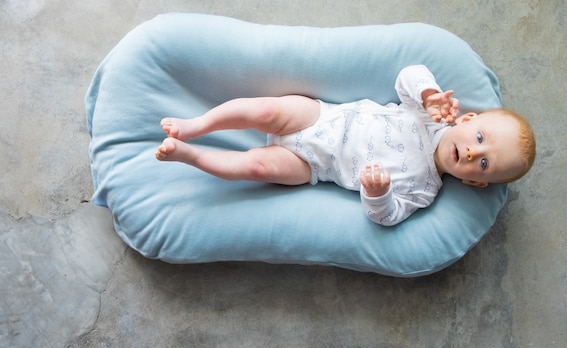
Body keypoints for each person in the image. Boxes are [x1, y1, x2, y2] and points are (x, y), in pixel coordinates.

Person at [156, 65, 535, 226]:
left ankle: (192, 155)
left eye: (483, 164)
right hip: (319, 117)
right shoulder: (429, 115)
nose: (473, 152)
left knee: (257, 168)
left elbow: (386, 218)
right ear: (467, 120)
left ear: (475, 184)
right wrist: (430, 93)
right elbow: (407, 76)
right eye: (480, 139)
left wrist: (378, 194)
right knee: (267, 109)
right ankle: (197, 125)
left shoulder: (424, 190)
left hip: (313, 166)